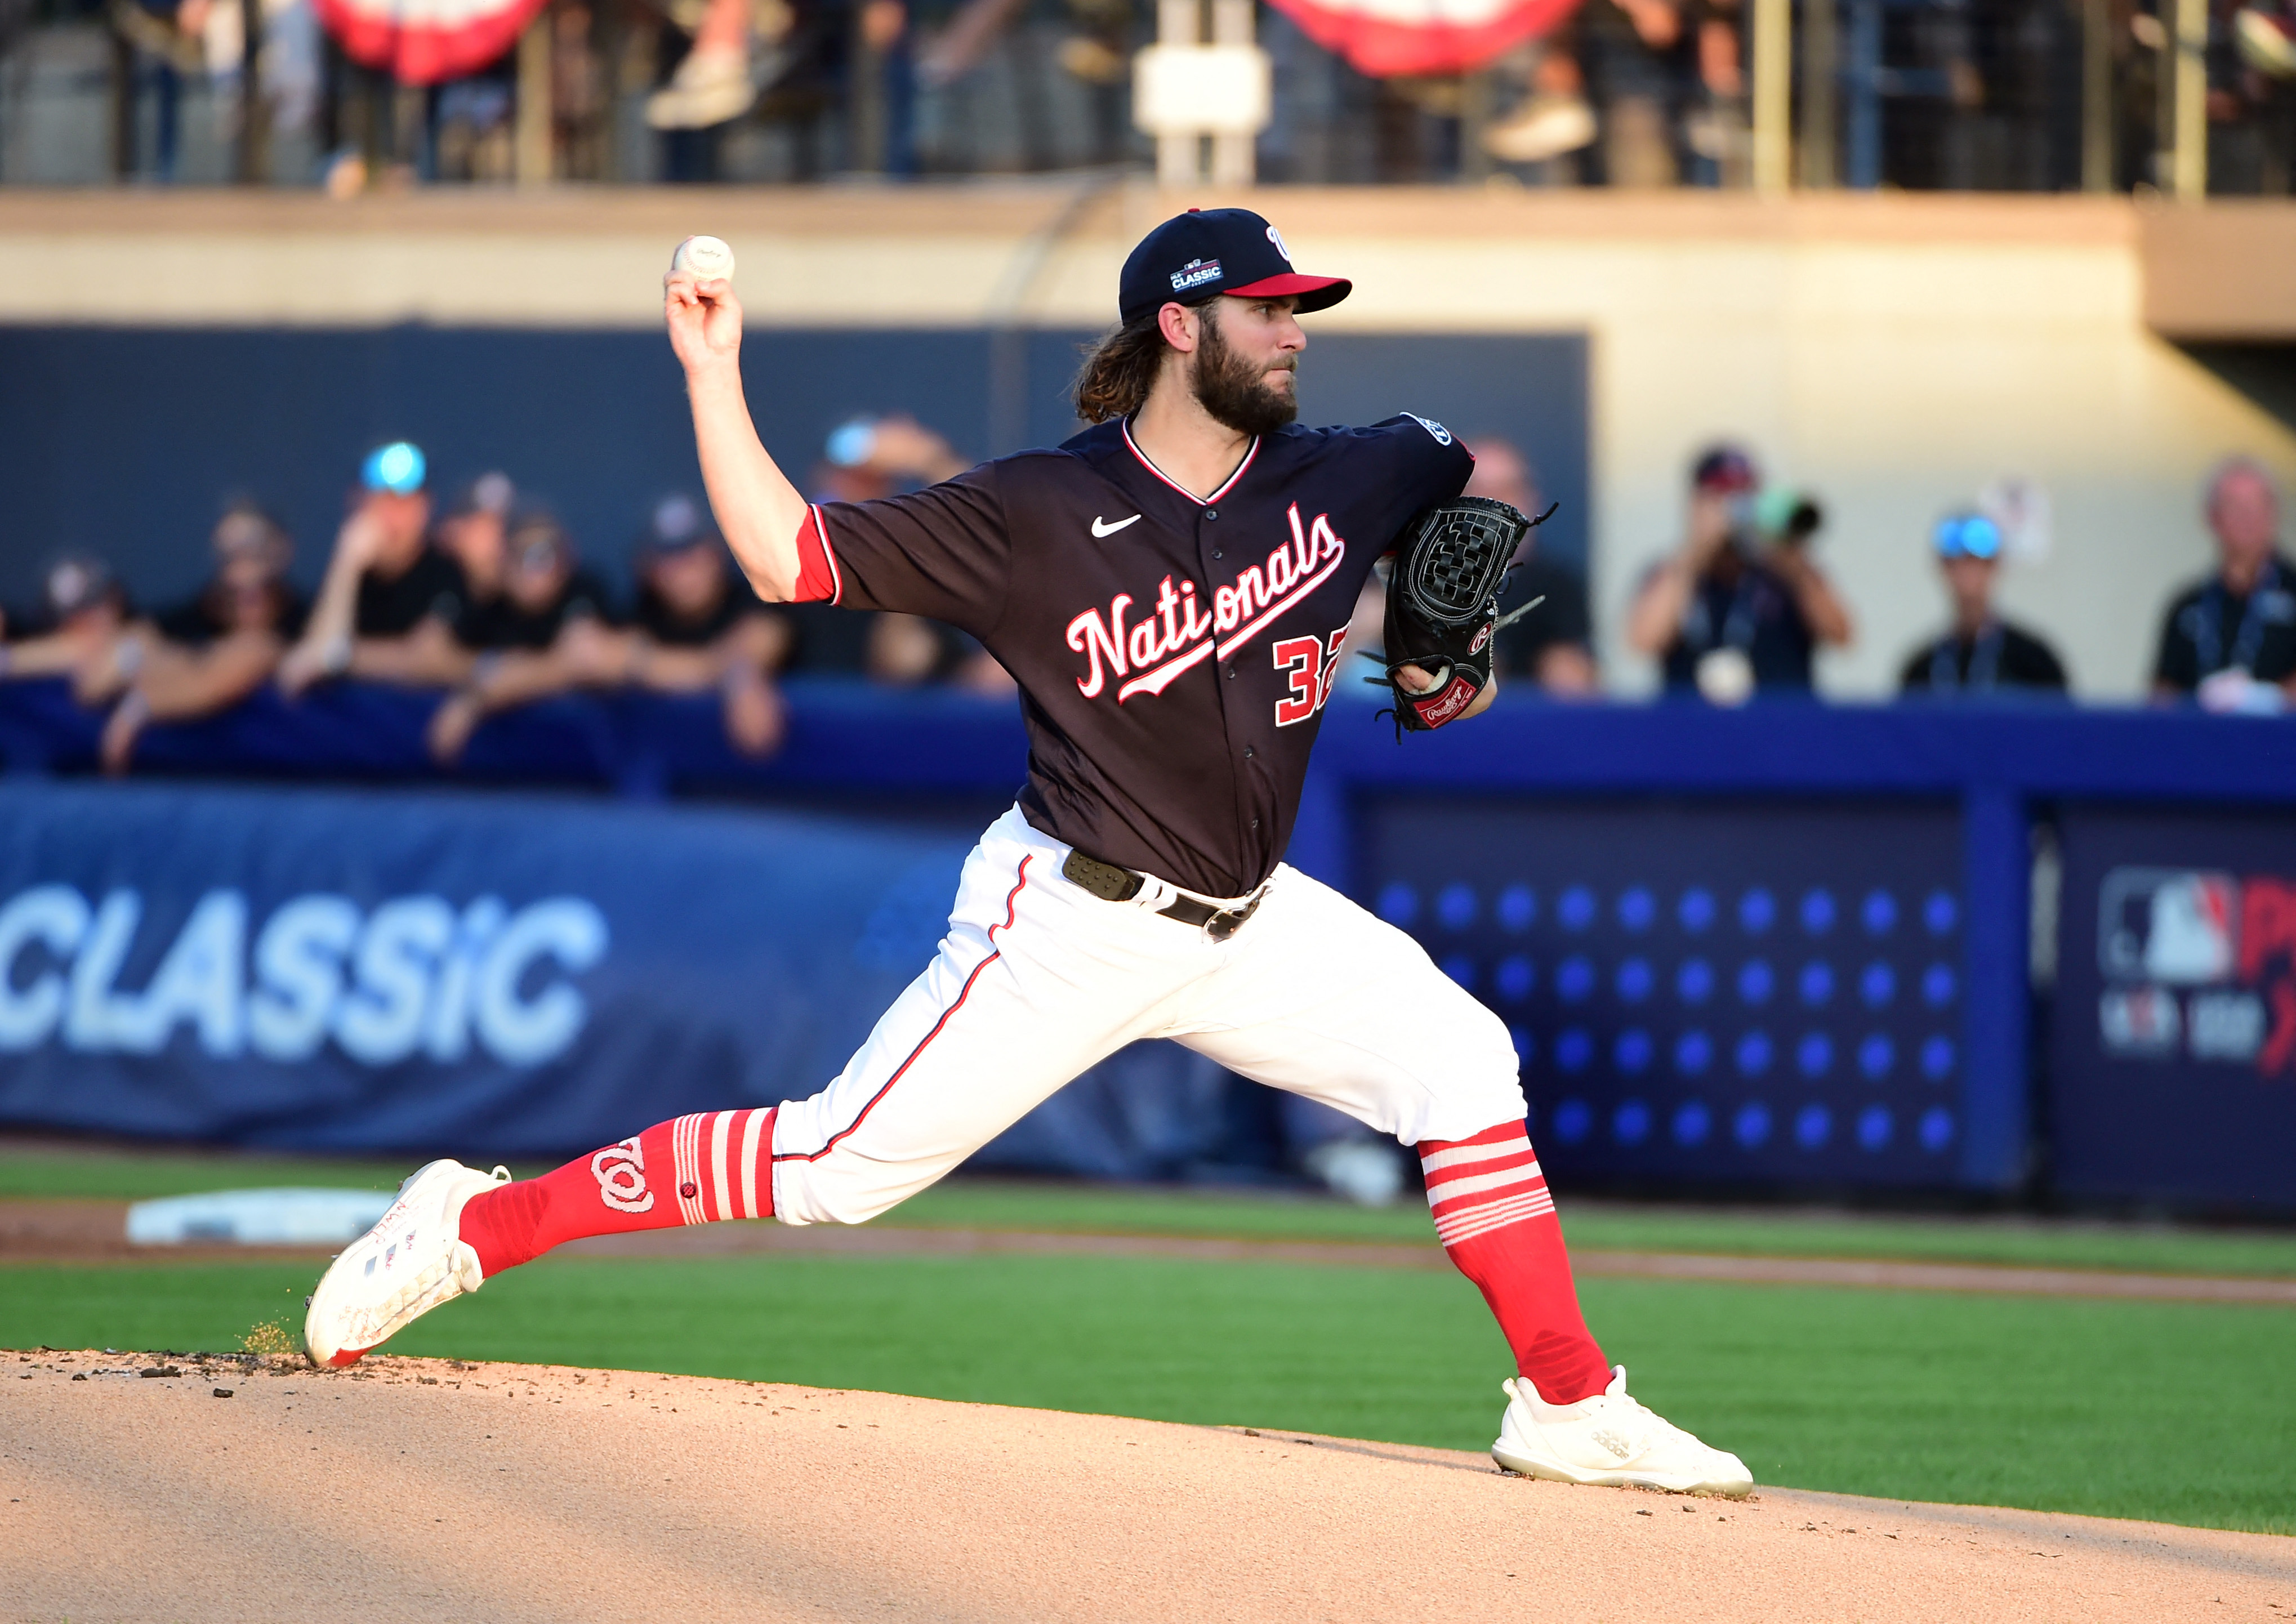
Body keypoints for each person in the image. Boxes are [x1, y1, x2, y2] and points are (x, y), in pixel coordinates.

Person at [304, 206, 1753, 1500]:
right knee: (830, 1168)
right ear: (1179, 328)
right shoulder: (1034, 514)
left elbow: (1448, 535)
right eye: (1265, 309)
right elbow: (782, 561)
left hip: (1248, 919)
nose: (1292, 332)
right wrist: (711, 371)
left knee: (1463, 1066)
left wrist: (1446, 672)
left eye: (1299, 309)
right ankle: (484, 1222)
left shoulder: (1366, 472)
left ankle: (1567, 1401)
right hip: (1073, 915)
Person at [427, 497, 791, 761]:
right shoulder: (641, 612)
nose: (685, 569)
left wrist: (740, 673)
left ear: (717, 552)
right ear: (646, 566)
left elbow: (761, 639)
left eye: (694, 552)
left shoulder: (751, 594)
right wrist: (474, 695)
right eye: (670, 556)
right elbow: (589, 657)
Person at [81, 503, 310, 771]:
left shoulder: (307, 621)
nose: (244, 565)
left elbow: (252, 653)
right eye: (231, 554)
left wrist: (137, 708)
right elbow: (95, 682)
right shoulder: (193, 617)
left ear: (283, 550)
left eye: (256, 549)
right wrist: (145, 660)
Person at [1624, 443, 1853, 702]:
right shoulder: (1671, 572)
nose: (1734, 510)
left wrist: (1793, 566)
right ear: (1695, 504)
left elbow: (1842, 636)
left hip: (1779, 726)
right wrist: (1695, 555)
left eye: (1744, 496)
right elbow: (1643, 643)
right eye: (1720, 498)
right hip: (1693, 729)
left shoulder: (1786, 569)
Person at [278, 442, 475, 695]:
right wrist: (346, 564)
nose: (394, 517)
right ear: (358, 503)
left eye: (406, 503)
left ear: (425, 509)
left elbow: (427, 658)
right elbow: (314, 650)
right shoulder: (352, 573)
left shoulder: (445, 571)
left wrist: (340, 657)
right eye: (382, 502)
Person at [2151, 457, 2296, 715]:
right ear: (2212, 517)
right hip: (2202, 746)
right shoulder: (2188, 604)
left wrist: (2268, 698)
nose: (2247, 519)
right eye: (2235, 508)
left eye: (2256, 507)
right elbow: (2161, 697)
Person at [1465, 438, 1598, 694]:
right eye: (1478, 490)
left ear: (1531, 499)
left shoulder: (1558, 585)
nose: (1492, 503)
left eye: (1506, 490)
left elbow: (1575, 679)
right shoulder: (1419, 580)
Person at [1897, 511, 2067, 698]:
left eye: (1976, 562)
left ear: (1995, 567)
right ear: (1942, 569)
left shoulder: (2034, 662)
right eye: (1955, 563)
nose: (1966, 574)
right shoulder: (1921, 670)